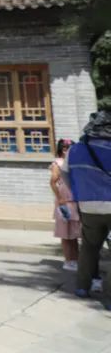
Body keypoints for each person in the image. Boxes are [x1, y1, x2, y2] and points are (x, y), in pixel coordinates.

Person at [64, 110, 111, 298]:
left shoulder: (75, 149)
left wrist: (79, 194)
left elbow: (65, 174)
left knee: (89, 247)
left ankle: (82, 287)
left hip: (87, 205)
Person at [50, 138, 80, 271]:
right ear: (61, 150)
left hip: (75, 201)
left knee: (74, 234)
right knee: (65, 234)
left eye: (71, 148)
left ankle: (76, 260)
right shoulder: (58, 163)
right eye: (65, 148)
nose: (68, 151)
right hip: (64, 202)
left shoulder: (75, 162)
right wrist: (60, 198)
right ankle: (68, 261)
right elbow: (53, 182)